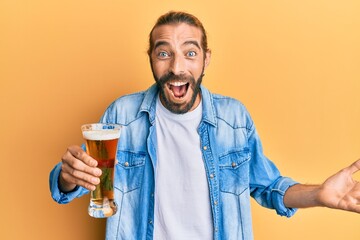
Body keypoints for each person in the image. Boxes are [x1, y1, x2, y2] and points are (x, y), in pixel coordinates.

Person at [50, 11, 360, 240]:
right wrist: (68, 178)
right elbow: (80, 185)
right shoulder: (123, 114)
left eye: (190, 52)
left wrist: (320, 194)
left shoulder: (234, 119)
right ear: (151, 58)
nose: (176, 67)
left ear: (205, 59)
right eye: (163, 53)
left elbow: (268, 186)